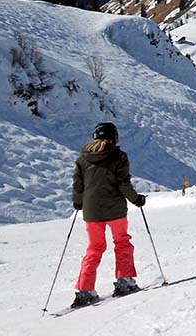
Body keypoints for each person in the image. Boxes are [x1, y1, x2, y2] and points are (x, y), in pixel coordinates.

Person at [71, 122, 147, 308]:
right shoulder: (118, 156)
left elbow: (78, 185)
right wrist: (136, 199)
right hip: (115, 210)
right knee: (122, 242)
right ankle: (125, 281)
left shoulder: (83, 159)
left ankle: (84, 290)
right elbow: (123, 183)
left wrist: (79, 202)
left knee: (94, 248)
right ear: (114, 137)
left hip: (91, 211)